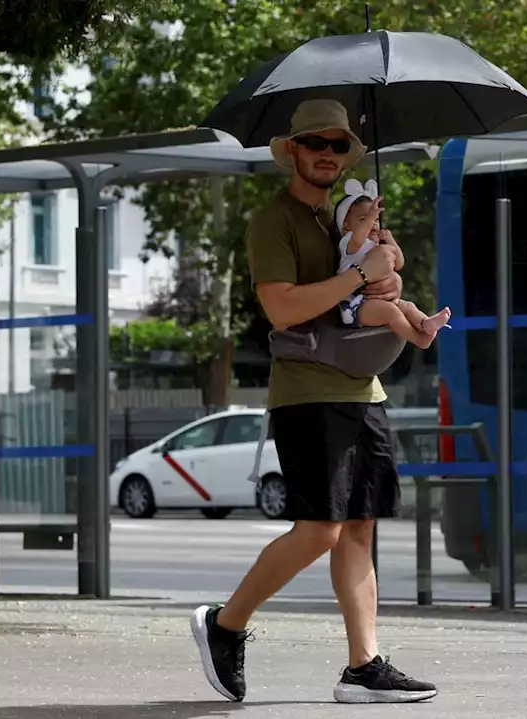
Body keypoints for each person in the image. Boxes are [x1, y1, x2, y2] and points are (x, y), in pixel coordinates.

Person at [189, 98, 437, 705]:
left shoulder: (348, 218)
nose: (328, 154)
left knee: (358, 530)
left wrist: (385, 269)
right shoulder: (273, 221)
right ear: (293, 150)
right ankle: (225, 625)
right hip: (307, 392)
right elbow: (284, 307)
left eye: (338, 146)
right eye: (316, 144)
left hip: (363, 388)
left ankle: (364, 665)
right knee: (320, 530)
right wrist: (358, 277)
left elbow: (374, 291)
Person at [333, 178, 451, 347]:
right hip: (356, 305)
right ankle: (420, 340)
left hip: (381, 299)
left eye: (375, 220)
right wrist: (371, 217)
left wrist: (391, 242)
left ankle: (426, 324)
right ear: (345, 226)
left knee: (408, 306)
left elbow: (398, 263)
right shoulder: (349, 243)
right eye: (362, 219)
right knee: (391, 312)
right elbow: (359, 239)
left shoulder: (377, 244)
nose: (372, 224)